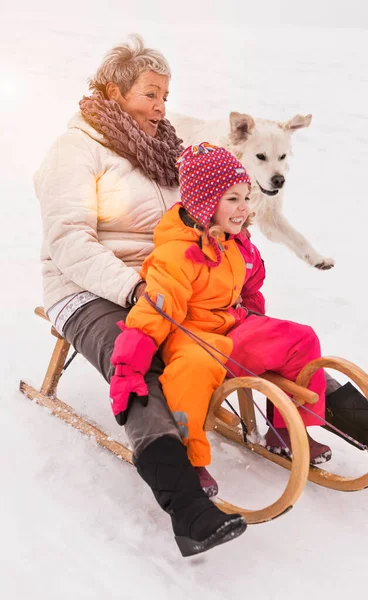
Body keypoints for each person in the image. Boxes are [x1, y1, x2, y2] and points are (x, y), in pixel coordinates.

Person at [34, 35, 247, 558]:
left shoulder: (166, 147)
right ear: (113, 91)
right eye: (150, 94)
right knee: (140, 359)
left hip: (172, 281)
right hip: (91, 289)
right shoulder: (75, 150)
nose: (160, 107)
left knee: (257, 335)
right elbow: (68, 241)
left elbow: (195, 215)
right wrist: (133, 289)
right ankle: (189, 510)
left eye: (165, 97)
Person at [109, 142, 332, 500]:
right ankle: (188, 458)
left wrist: (255, 316)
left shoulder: (233, 241)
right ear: (205, 202)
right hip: (191, 337)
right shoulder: (175, 255)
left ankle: (287, 430)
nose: (244, 207)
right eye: (233, 199)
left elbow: (250, 280)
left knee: (299, 338)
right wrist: (127, 368)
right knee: (192, 372)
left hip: (232, 328)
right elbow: (152, 313)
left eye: (247, 197)